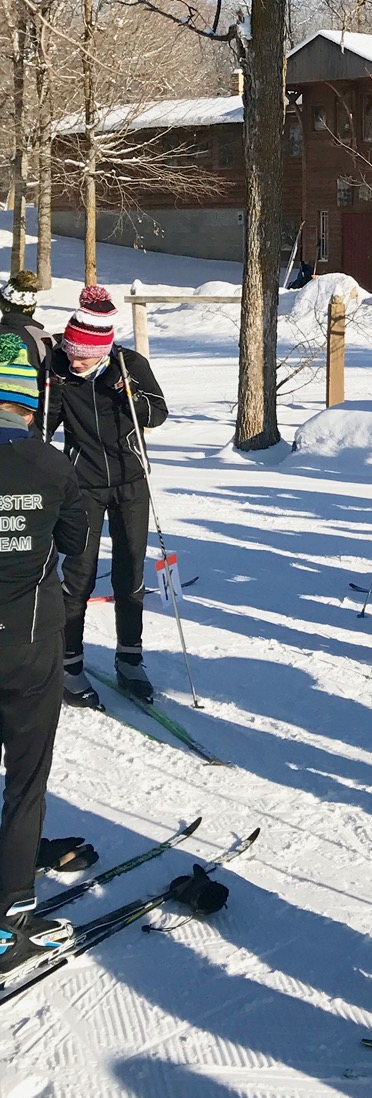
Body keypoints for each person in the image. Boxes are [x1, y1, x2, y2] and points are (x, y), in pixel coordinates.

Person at [0, 336, 94, 970]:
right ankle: (10, 924)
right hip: (28, 645)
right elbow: (78, 546)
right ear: (31, 402)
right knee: (26, 781)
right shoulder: (54, 466)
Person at [43, 289, 168, 705]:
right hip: (82, 485)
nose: (74, 359)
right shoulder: (58, 369)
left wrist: (126, 390)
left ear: (101, 349)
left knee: (130, 574)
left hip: (132, 481)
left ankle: (130, 660)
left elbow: (157, 414)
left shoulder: (130, 365)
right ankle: (70, 663)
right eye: (70, 351)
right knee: (77, 576)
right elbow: (45, 428)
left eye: (82, 355)